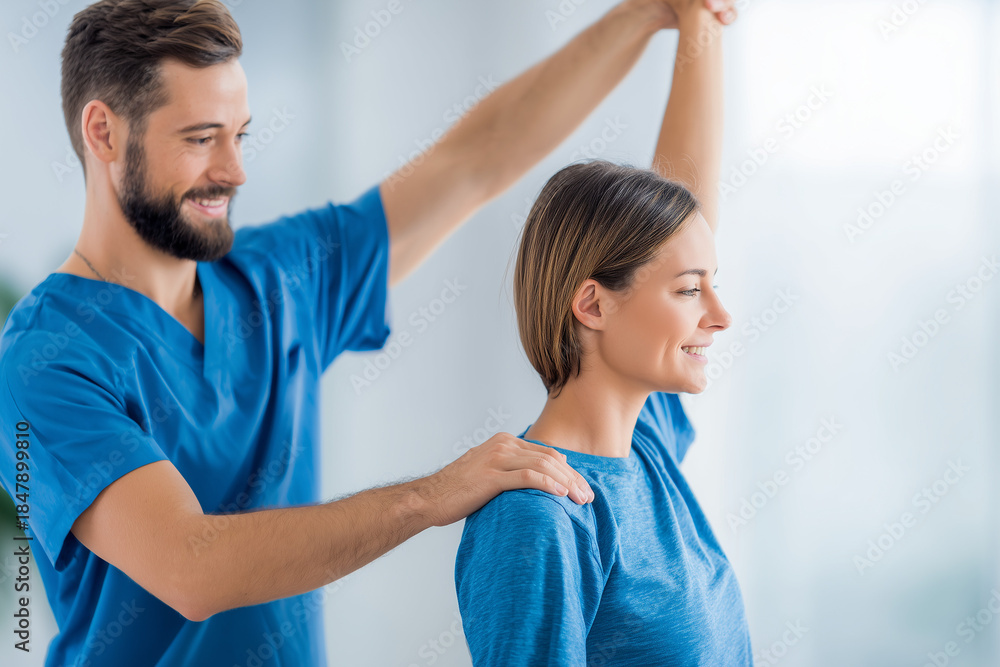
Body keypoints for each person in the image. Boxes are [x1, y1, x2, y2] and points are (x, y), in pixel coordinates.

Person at [0, 0, 738, 664]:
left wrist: (650, 15)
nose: (235, 170)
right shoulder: (42, 361)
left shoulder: (277, 280)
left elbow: (475, 161)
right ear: (103, 131)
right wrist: (431, 496)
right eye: (201, 139)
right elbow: (192, 566)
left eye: (240, 135)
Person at [454, 1, 752, 665]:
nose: (721, 315)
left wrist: (699, 23)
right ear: (592, 304)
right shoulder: (538, 518)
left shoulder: (645, 445)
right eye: (689, 290)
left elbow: (687, 211)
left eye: (711, 283)